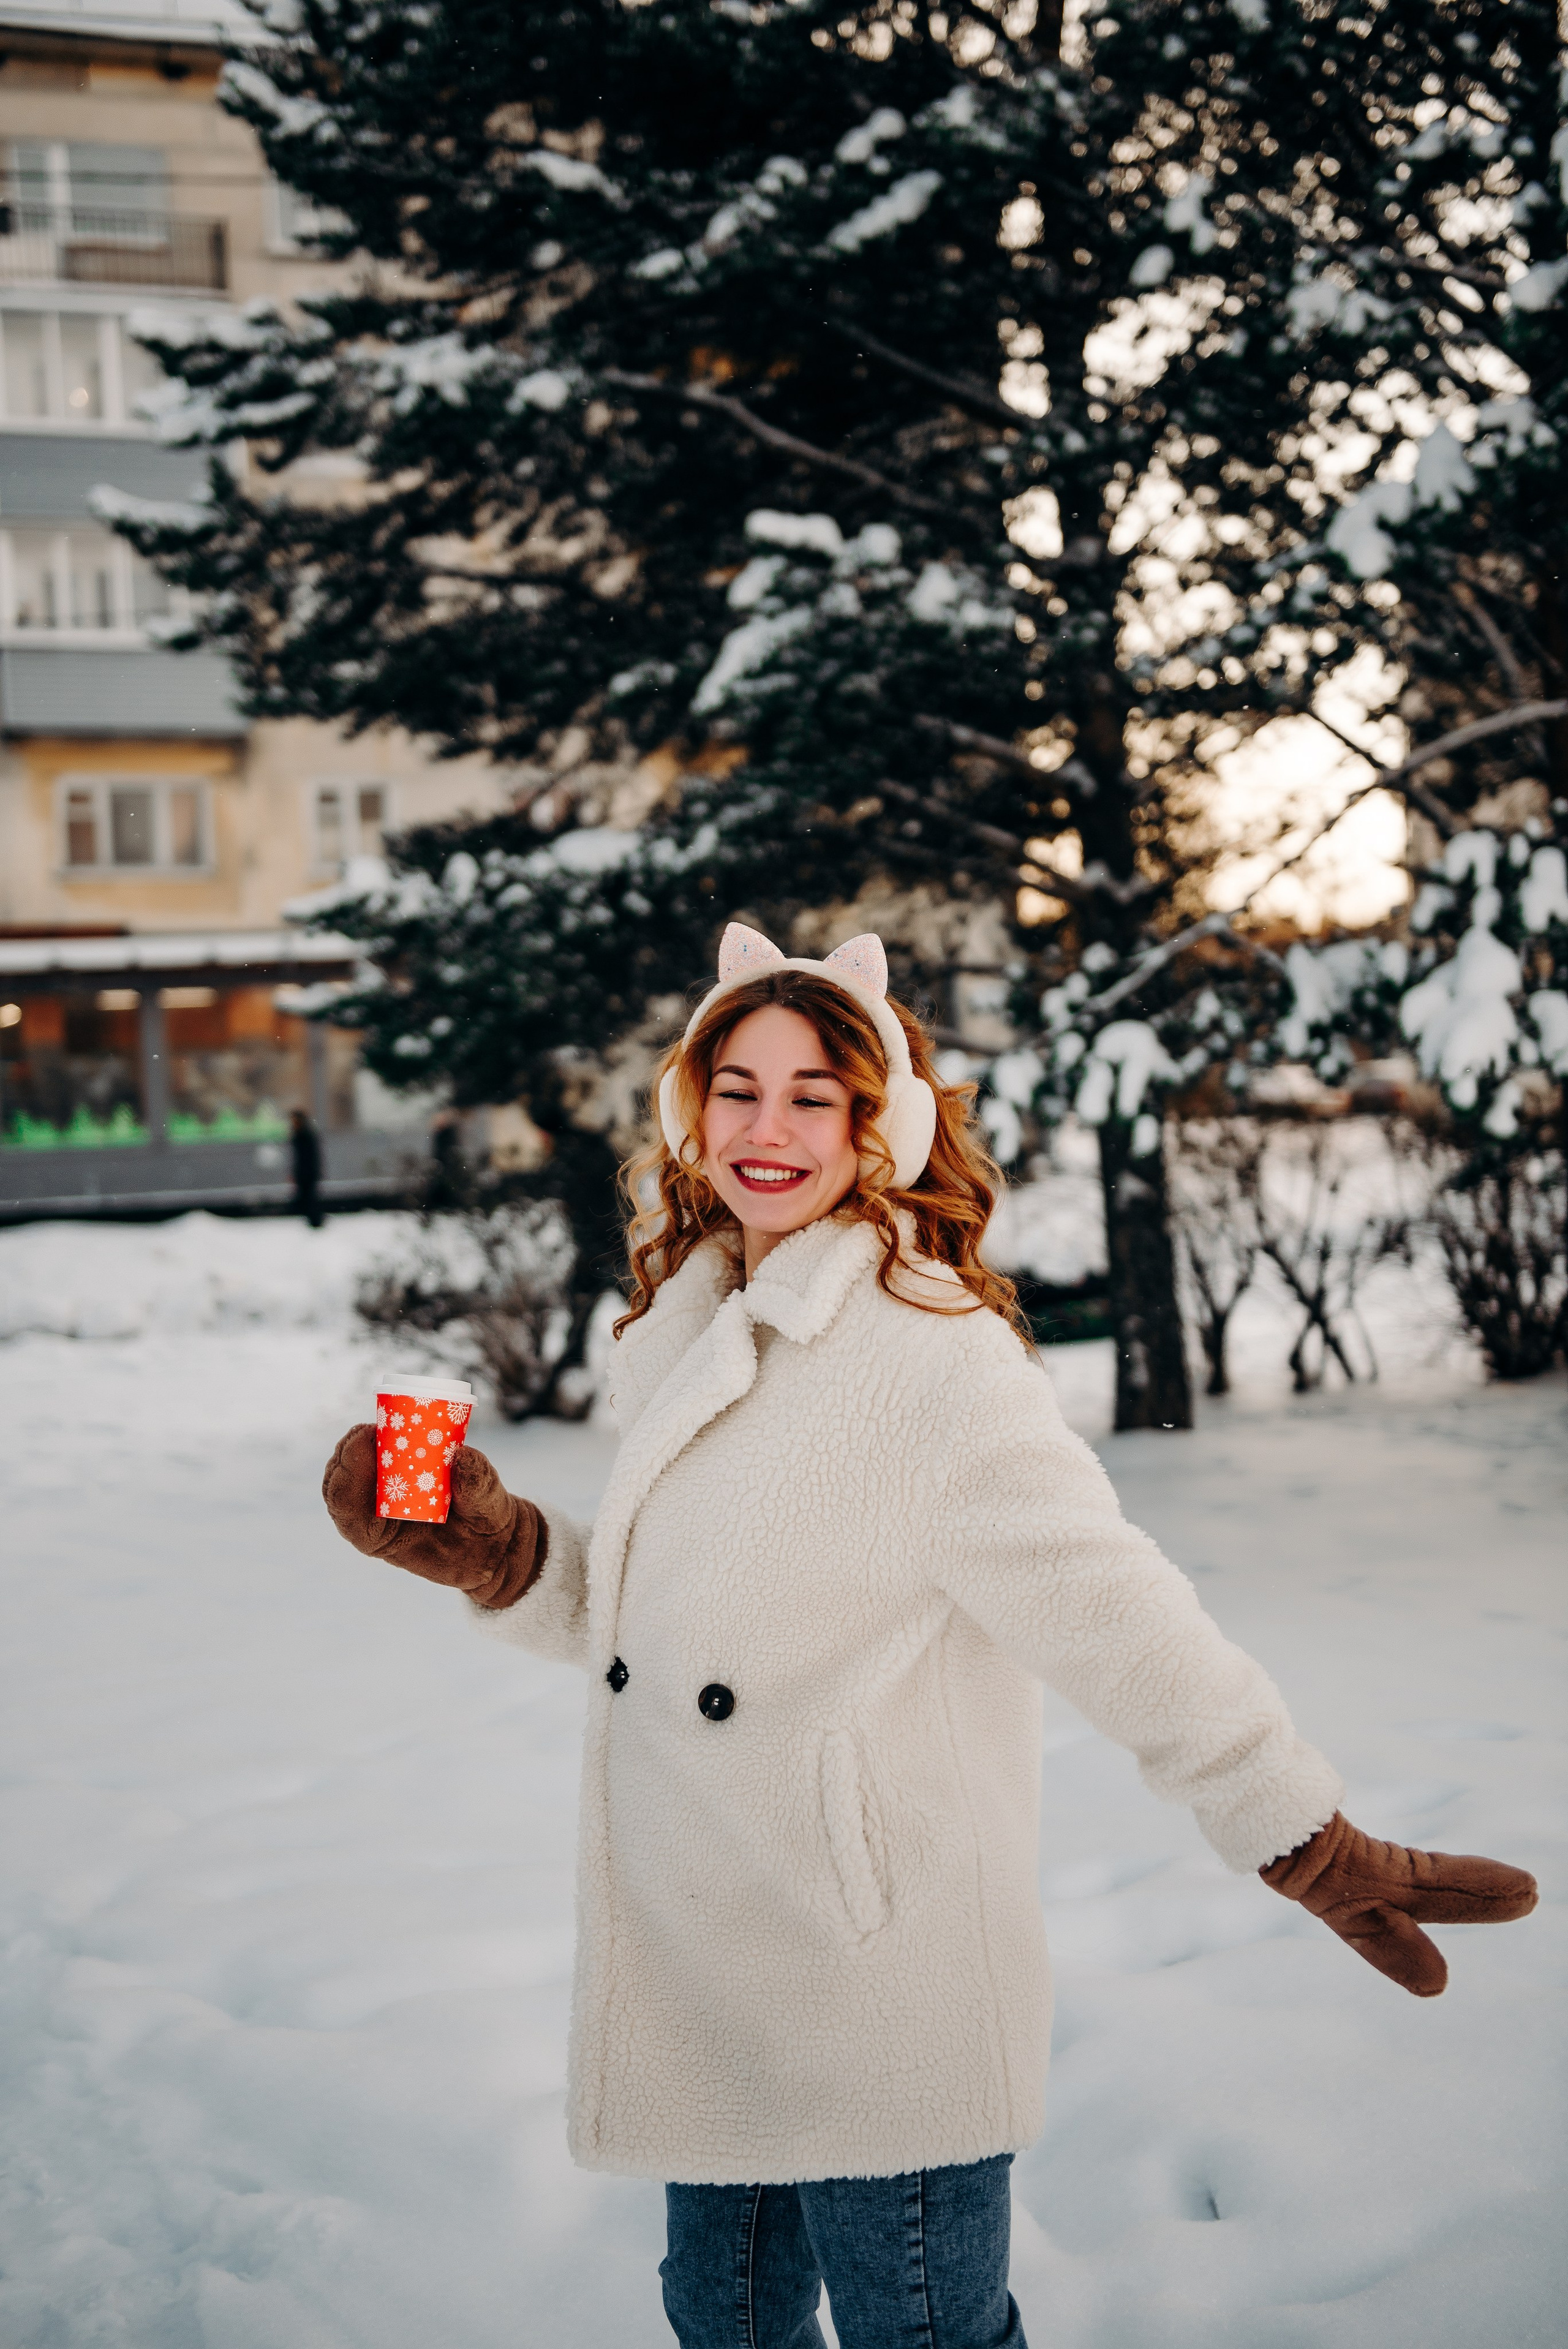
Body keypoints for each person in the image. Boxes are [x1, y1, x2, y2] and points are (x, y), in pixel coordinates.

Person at [321, 925, 1537, 2349]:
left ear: (872, 1125)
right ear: (689, 1105)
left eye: (811, 1094)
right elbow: (660, 1628)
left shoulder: (927, 1351)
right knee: (717, 2314)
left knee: (921, 2330)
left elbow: (1110, 1606)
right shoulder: (683, 1320)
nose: (764, 1127)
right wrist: (505, 1552)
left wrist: (1294, 1827)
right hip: (707, 1944)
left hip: (867, 1957)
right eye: (736, 1085)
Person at [288, 1106, 325, 1228]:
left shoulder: (305, 1135)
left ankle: (315, 1222)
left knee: (310, 1198)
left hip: (308, 1173)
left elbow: (308, 1157)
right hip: (306, 1172)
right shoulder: (303, 1134)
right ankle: (314, 1221)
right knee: (308, 1198)